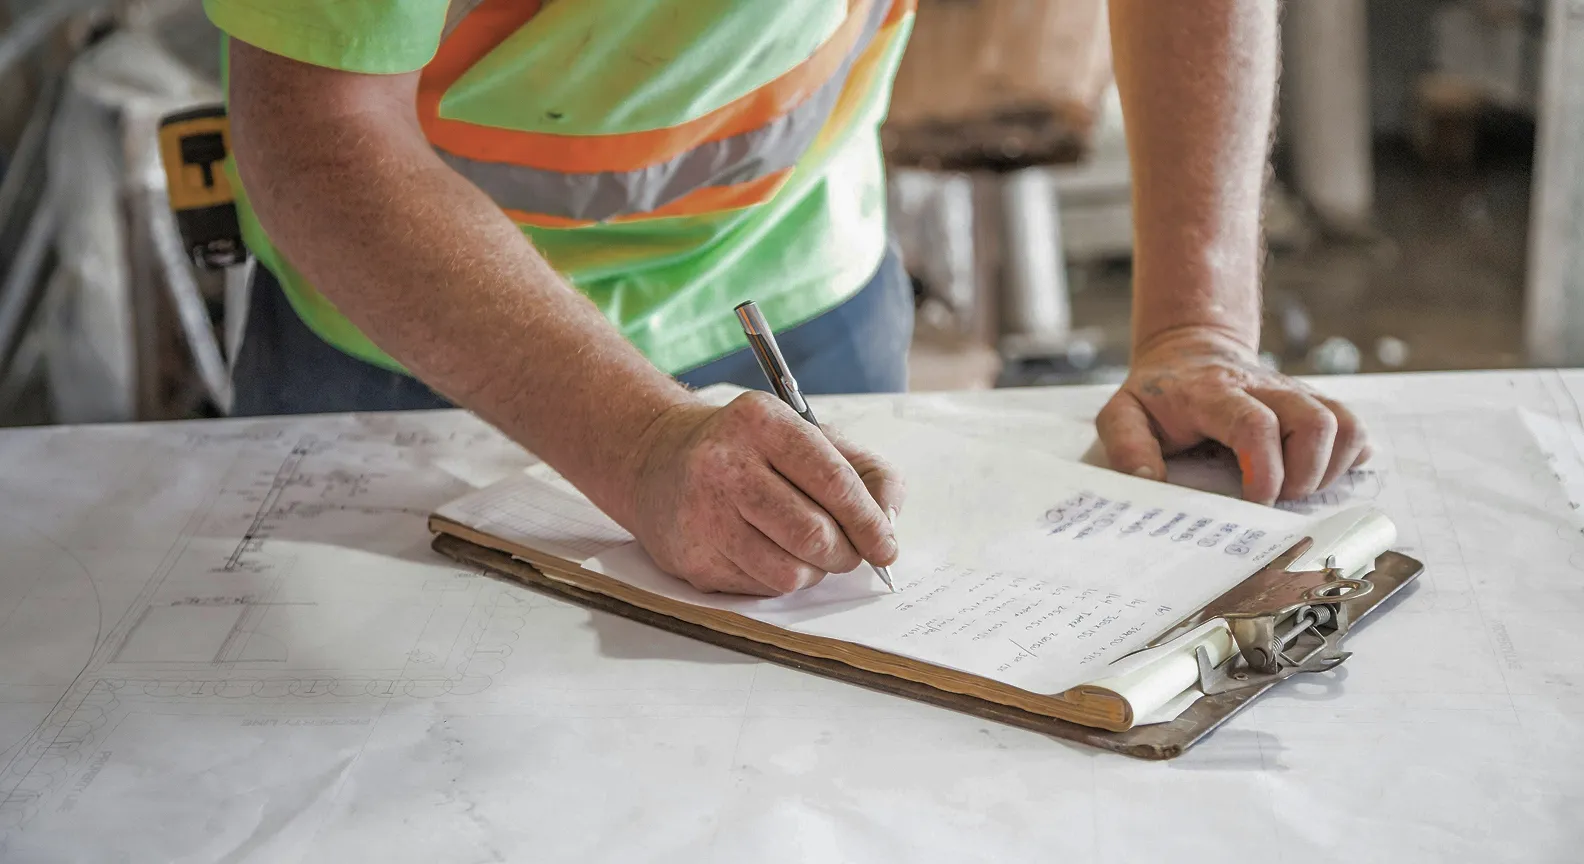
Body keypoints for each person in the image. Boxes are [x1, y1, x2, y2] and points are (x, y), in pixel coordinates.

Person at [208, 0, 1369, 597]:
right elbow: (318, 130)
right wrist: (635, 436)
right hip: (411, 344)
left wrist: (1196, 327)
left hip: (800, 286)